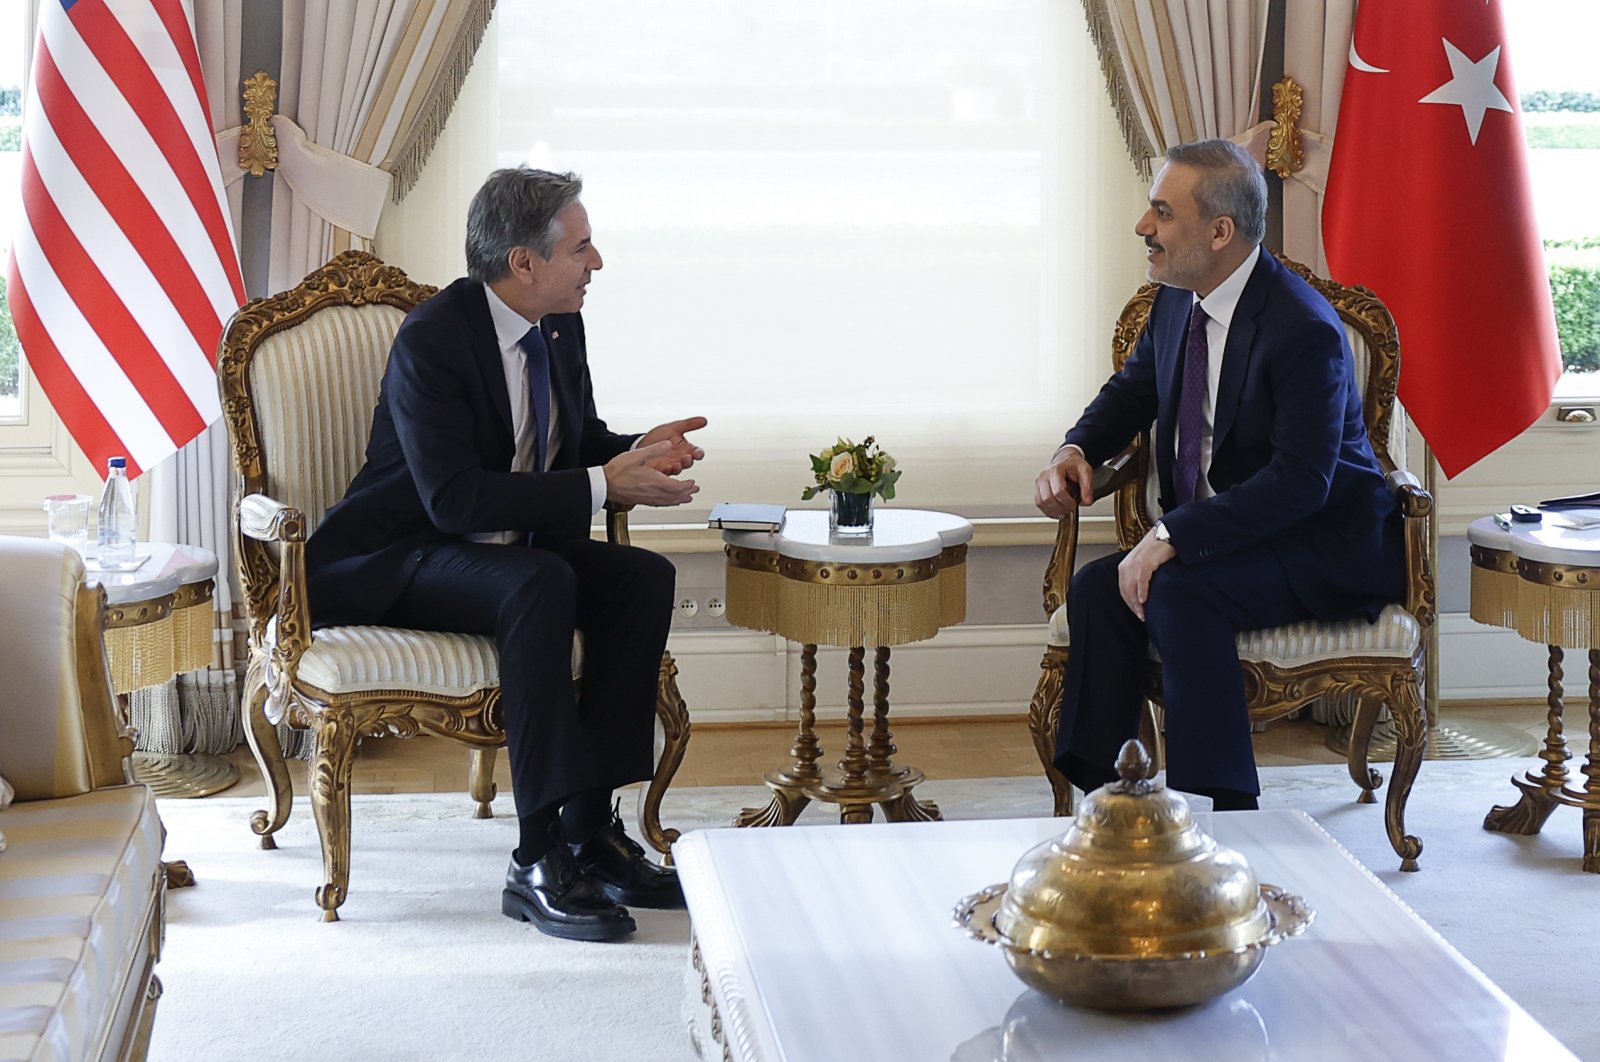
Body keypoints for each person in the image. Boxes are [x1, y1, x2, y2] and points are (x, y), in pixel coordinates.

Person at [306, 167, 706, 941]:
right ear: (524, 262)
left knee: (641, 579)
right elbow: (452, 500)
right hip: (406, 556)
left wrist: (636, 453)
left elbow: (574, 442)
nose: (596, 263)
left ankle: (592, 833)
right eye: (582, 247)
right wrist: (600, 482)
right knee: (541, 582)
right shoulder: (432, 340)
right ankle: (537, 855)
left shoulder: (560, 324)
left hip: (507, 551)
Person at [1033, 138, 1404, 811]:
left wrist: (1170, 533)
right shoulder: (1179, 297)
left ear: (1219, 231)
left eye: (1161, 214)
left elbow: (1301, 482)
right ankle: (1109, 799)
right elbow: (1133, 389)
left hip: (1317, 545)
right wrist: (1075, 449)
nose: (1144, 228)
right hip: (1232, 537)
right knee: (1096, 589)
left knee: (1179, 594)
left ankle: (1220, 811)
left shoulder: (1302, 329)